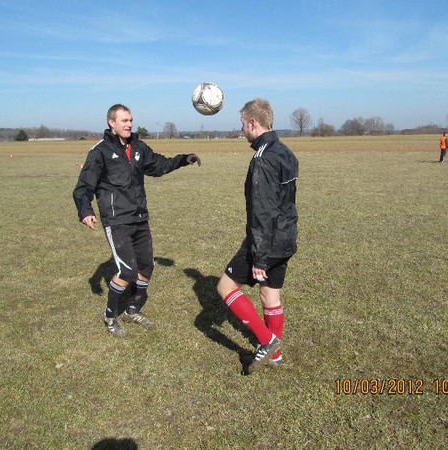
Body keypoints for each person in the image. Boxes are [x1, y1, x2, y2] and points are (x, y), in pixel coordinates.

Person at [73, 103, 201, 337]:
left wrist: (184, 159)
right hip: (117, 220)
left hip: (140, 217)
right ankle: (110, 315)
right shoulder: (100, 152)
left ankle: (132, 310)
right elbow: (83, 186)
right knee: (127, 271)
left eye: (130, 120)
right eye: (124, 120)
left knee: (146, 266)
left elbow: (159, 165)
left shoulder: (138, 147)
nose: (129, 124)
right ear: (111, 122)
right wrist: (85, 211)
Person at [216, 98, 298, 374]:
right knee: (269, 296)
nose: (242, 129)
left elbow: (263, 210)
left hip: (266, 242)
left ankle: (267, 341)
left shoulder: (263, 158)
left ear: (253, 122)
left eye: (242, 123)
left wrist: (260, 257)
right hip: (286, 238)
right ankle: (276, 356)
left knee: (225, 287)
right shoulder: (286, 152)